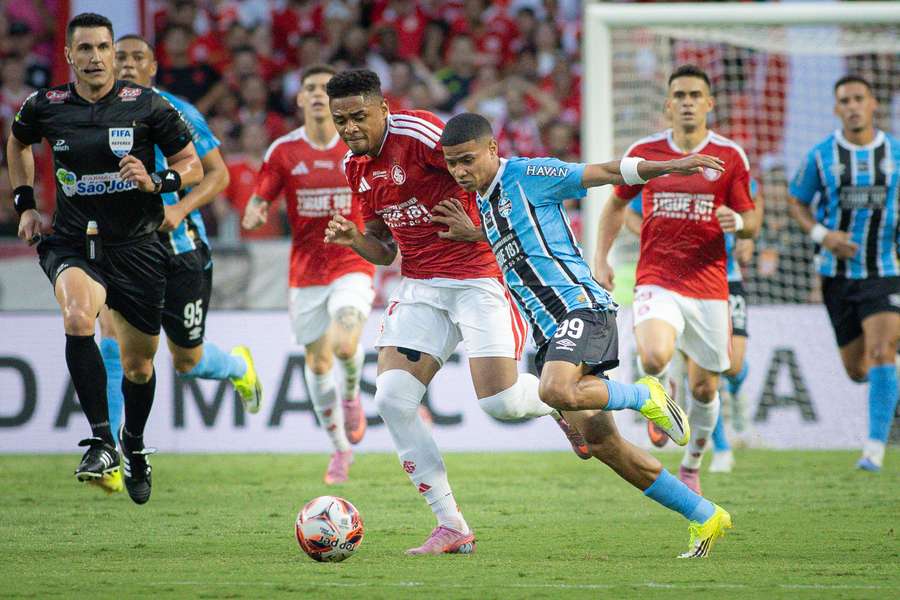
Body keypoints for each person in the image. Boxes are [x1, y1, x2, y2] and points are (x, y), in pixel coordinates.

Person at [436, 111, 734, 558]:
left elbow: (608, 172)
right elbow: (520, 237)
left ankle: (644, 395)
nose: (460, 171)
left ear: (493, 149)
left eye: (467, 160)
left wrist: (669, 166)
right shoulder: (484, 202)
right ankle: (704, 514)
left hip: (582, 309)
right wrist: (475, 234)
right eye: (452, 164)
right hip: (548, 334)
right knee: (602, 445)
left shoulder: (528, 174)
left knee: (555, 388)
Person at [323, 69, 591, 556]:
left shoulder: (423, 136)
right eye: (340, 119)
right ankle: (452, 526)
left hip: (479, 277)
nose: (349, 128)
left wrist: (480, 227)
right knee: (392, 398)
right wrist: (355, 240)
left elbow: (496, 181)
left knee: (501, 405)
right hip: (421, 286)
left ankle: (555, 400)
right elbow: (384, 251)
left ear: (383, 109)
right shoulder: (354, 167)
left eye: (359, 116)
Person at [7, 13, 203, 504]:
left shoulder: (148, 105)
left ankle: (133, 444)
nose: (95, 57)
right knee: (77, 316)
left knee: (139, 368)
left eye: (103, 47)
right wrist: (26, 204)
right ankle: (101, 440)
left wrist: (156, 182)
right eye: (85, 49)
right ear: (69, 56)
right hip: (75, 241)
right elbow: (17, 143)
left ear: (115, 53)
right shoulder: (45, 105)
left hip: (136, 245)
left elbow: (192, 165)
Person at [84, 34, 264, 497]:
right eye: (117, 56)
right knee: (114, 342)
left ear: (152, 67)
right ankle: (109, 453)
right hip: (120, 250)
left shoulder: (175, 110)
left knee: (187, 360)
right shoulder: (89, 116)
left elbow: (218, 173)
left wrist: (179, 211)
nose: (124, 64)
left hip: (179, 250)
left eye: (135, 57)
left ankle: (236, 367)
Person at [594, 65, 760, 495]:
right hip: (657, 278)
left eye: (695, 95)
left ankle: (692, 464)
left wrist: (738, 220)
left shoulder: (730, 156)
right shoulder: (646, 151)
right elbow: (615, 206)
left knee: (706, 387)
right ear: (668, 105)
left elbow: (754, 220)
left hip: (708, 285)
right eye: (679, 95)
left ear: (709, 104)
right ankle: (659, 396)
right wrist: (601, 257)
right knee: (653, 355)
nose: (687, 102)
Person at [242, 65, 374, 485]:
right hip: (306, 273)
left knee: (345, 341)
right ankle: (340, 449)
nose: (318, 94)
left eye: (324, 88)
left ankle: (351, 396)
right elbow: (262, 195)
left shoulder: (357, 147)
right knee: (317, 362)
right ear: (300, 99)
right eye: (311, 88)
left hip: (351, 261)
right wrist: (256, 208)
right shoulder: (283, 151)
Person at [788, 74, 900, 472]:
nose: (852, 106)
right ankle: (890, 388)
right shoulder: (822, 156)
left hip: (886, 270)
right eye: (845, 100)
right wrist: (823, 234)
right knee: (857, 370)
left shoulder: (897, 155)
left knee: (882, 350)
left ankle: (873, 449)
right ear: (836, 108)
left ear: (873, 105)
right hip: (836, 275)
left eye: (859, 98)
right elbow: (796, 200)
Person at [625, 180, 763, 474]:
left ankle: (738, 393)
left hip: (726, 278)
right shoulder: (665, 176)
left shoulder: (730, 167)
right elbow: (630, 212)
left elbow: (754, 201)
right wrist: (654, 237)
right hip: (679, 282)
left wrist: (748, 235)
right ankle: (722, 449)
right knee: (697, 368)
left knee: (733, 366)